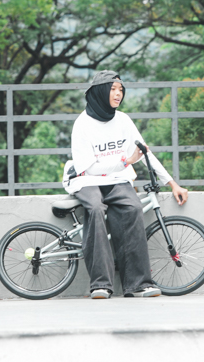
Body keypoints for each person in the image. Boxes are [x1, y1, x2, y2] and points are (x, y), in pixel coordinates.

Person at [67, 72, 189, 299]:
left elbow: (143, 153)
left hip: (117, 180)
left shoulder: (123, 120)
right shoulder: (82, 124)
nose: (118, 94)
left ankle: (138, 284)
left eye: (121, 90)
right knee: (95, 209)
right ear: (100, 92)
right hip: (87, 181)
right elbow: (89, 168)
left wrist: (172, 183)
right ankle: (100, 284)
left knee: (132, 208)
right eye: (113, 89)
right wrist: (125, 161)